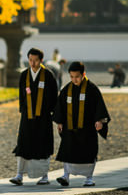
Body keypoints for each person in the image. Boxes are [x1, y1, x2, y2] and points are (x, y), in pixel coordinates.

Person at [53, 61, 111, 187]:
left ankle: (89, 178)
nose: (75, 80)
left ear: (83, 74)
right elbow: (60, 107)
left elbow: (99, 107)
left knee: (88, 152)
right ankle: (65, 176)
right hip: (70, 128)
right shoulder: (66, 89)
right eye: (72, 77)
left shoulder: (92, 89)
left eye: (77, 77)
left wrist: (99, 120)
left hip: (87, 129)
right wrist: (60, 122)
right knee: (67, 151)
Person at [10, 47, 59, 186]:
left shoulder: (48, 75)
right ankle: (19, 175)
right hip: (27, 116)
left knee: (43, 145)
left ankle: (44, 175)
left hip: (43, 117)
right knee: (23, 143)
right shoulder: (24, 74)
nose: (32, 63)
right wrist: (23, 111)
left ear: (41, 60)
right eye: (30, 60)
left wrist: (53, 114)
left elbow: (54, 96)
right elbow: (22, 96)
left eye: (35, 60)